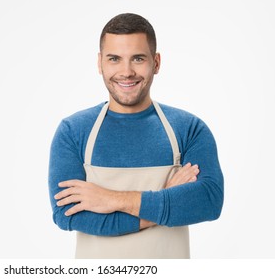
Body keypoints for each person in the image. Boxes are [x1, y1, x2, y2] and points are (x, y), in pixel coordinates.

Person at [48, 13, 224, 259]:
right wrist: (165, 202)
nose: (126, 71)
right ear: (100, 63)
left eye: (138, 58)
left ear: (156, 62)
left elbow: (208, 202)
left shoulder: (189, 129)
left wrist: (110, 199)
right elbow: (66, 214)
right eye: (114, 59)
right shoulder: (74, 131)